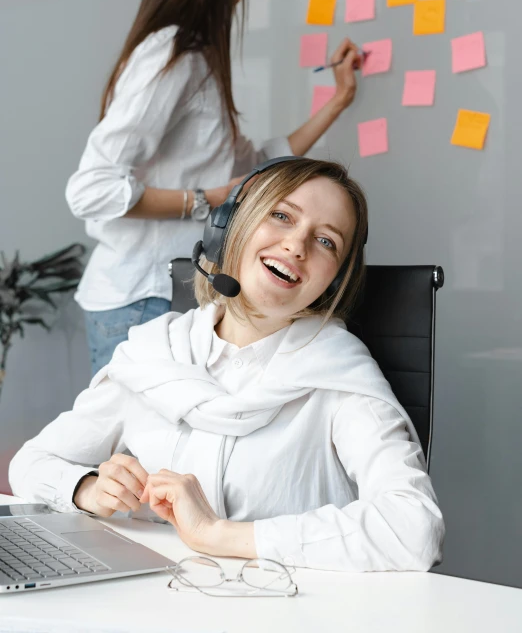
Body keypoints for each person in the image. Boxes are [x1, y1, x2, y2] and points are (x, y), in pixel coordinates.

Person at [10, 158, 444, 572]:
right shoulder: (154, 352)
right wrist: (87, 488)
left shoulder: (340, 378)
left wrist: (219, 535)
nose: (296, 245)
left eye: (326, 240)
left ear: (334, 278)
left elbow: (414, 529)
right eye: (282, 216)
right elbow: (31, 464)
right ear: (228, 226)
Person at [65, 0, 362, 376]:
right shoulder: (173, 55)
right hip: (141, 299)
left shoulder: (197, 60)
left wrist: (339, 100)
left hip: (164, 294)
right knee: (134, 454)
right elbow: (91, 190)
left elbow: (257, 165)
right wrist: (205, 197)